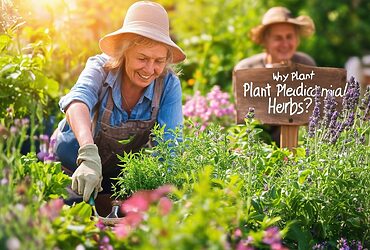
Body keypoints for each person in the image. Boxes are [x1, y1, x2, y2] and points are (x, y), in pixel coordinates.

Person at [52, 1, 186, 215]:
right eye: (142, 58)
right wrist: (87, 153)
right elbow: (77, 102)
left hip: (114, 179)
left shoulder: (167, 84)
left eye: (158, 60)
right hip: (71, 168)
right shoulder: (100, 68)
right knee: (68, 223)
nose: (150, 69)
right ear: (124, 51)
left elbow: (170, 147)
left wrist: (159, 190)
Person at [234, 6, 316, 145]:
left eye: (289, 37)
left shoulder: (306, 64)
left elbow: (313, 111)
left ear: (297, 39)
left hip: (301, 148)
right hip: (258, 149)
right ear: (265, 41)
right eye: (278, 38)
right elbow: (245, 118)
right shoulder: (246, 69)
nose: (285, 44)